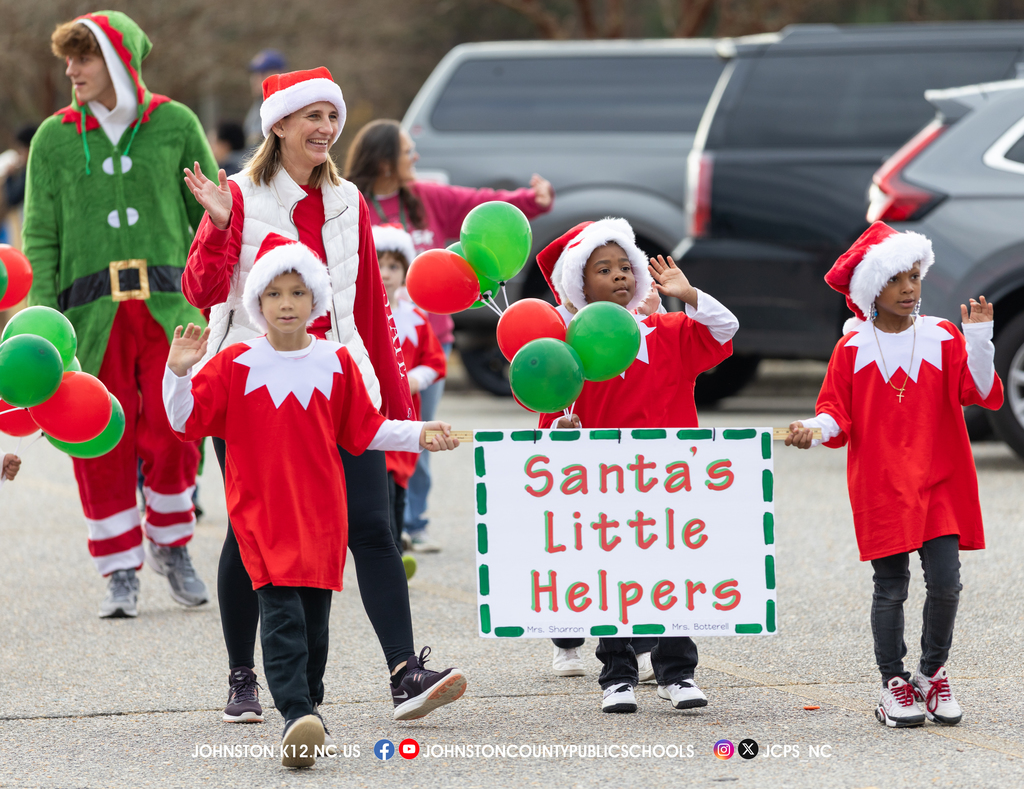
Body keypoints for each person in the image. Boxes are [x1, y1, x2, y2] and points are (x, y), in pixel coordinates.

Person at [181, 67, 467, 724]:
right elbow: (202, 290)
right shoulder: (240, 193)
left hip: (339, 381)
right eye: (310, 116)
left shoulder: (350, 204)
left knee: (372, 524)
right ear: (278, 124)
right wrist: (223, 225)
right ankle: (243, 676)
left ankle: (404, 672)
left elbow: (367, 310)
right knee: (252, 531)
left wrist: (397, 410)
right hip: (253, 390)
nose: (325, 129)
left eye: (331, 117)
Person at [164, 235, 462, 768]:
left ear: (315, 301)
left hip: (321, 520)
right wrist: (179, 372)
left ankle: (309, 711)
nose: (285, 304)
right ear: (256, 303)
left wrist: (420, 433)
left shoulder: (336, 361)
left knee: (314, 630)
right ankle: (295, 713)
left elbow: (365, 430)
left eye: (297, 293)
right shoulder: (236, 361)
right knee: (282, 620)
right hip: (263, 516)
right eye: (274, 293)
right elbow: (185, 420)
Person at [22, 11, 214, 618]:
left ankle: (172, 543)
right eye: (68, 59)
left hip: (169, 312)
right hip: (89, 317)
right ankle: (119, 569)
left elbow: (210, 218)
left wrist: (222, 300)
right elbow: (40, 237)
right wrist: (41, 323)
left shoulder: (176, 123)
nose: (72, 70)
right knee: (100, 439)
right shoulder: (53, 137)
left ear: (120, 60)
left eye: (84, 57)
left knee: (175, 429)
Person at [786, 221, 1003, 729]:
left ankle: (931, 674)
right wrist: (810, 429)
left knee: (947, 584)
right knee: (891, 586)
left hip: (941, 476)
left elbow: (981, 391)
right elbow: (835, 414)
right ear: (871, 292)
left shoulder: (943, 336)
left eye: (914, 276)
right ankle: (893, 684)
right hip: (883, 482)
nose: (909, 289)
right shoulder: (853, 348)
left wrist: (980, 340)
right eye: (895, 280)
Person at [535, 218, 739, 713]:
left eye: (626, 266)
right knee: (614, 579)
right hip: (605, 489)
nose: (621, 276)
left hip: (669, 484)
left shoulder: (667, 332)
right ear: (578, 286)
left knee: (673, 574)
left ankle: (677, 673)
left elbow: (725, 329)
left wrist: (689, 295)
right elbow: (551, 414)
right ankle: (617, 675)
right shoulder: (573, 350)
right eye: (604, 269)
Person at [345, 118, 554, 553]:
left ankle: (413, 523)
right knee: (370, 433)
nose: (415, 158)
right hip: (366, 340)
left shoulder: (424, 199)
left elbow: (479, 204)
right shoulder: (348, 203)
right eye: (407, 151)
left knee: (421, 433)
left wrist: (529, 201)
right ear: (384, 162)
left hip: (428, 340)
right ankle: (369, 522)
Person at [373, 223, 447, 578]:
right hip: (370, 415)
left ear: (405, 271)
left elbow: (436, 361)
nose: (385, 274)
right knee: (380, 483)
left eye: (393, 267)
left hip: (404, 416)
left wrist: (415, 379)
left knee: (399, 481)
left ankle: (395, 540)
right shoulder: (356, 314)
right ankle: (391, 552)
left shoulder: (416, 319)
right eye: (379, 264)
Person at [243, 49, 287, 148]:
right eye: (254, 74)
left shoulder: (285, 107)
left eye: (262, 74)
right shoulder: (259, 103)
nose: (255, 79)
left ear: (280, 74)